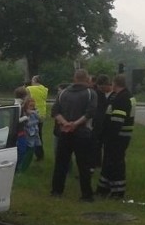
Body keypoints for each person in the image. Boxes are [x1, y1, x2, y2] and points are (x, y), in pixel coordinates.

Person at [50, 69, 97, 201]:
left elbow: (55, 112)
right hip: (82, 133)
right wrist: (75, 124)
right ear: (87, 79)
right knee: (83, 165)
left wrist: (65, 123)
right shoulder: (90, 93)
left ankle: (56, 191)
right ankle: (86, 195)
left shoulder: (63, 93)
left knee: (61, 163)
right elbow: (90, 113)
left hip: (64, 132)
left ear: (74, 78)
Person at [97, 74, 136, 199]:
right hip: (122, 135)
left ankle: (117, 192)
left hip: (117, 137)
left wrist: (108, 137)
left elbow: (117, 121)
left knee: (115, 163)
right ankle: (104, 188)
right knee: (109, 161)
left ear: (115, 84)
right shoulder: (126, 96)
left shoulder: (121, 99)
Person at [90, 74, 112, 171]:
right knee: (95, 144)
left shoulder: (99, 93)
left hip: (100, 123)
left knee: (98, 144)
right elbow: (99, 111)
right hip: (97, 123)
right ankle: (94, 164)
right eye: (108, 84)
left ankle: (97, 163)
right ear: (102, 85)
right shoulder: (98, 94)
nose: (110, 86)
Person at [26, 76, 48, 161]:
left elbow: (27, 99)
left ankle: (34, 153)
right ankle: (40, 154)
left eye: (32, 80)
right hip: (42, 113)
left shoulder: (29, 88)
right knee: (39, 133)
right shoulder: (45, 89)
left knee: (31, 133)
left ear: (34, 80)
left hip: (32, 112)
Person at [17, 97, 41, 172]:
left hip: (34, 133)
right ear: (26, 105)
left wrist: (34, 114)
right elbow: (27, 124)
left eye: (33, 105)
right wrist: (29, 117)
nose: (32, 107)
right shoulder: (24, 112)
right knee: (25, 150)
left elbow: (39, 120)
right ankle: (20, 167)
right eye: (30, 105)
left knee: (31, 149)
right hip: (26, 133)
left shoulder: (35, 112)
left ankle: (24, 167)